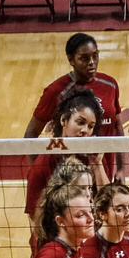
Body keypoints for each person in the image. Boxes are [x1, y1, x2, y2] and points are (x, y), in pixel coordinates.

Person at [23, 33, 125, 182]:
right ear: (71, 59)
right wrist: (36, 173)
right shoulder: (56, 91)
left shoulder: (110, 84)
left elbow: (117, 125)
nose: (92, 62)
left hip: (102, 172)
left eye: (95, 56)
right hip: (67, 177)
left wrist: (121, 168)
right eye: (84, 58)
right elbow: (30, 135)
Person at [24, 90, 110, 233]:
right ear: (63, 120)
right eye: (80, 122)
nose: (85, 131)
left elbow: (108, 203)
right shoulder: (42, 166)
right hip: (54, 239)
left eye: (90, 126)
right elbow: (36, 218)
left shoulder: (93, 158)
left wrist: (97, 165)